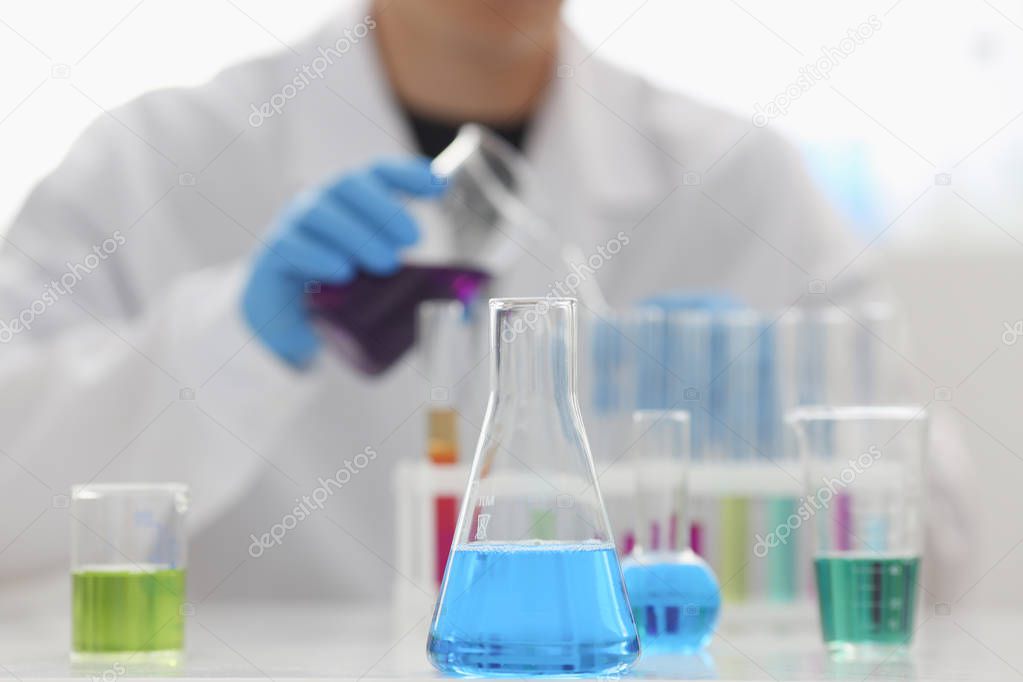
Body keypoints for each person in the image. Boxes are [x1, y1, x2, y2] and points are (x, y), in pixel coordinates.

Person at [0, 0, 973, 601]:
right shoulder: (157, 163)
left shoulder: (742, 182)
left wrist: (803, 450)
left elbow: (944, 562)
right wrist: (230, 344)